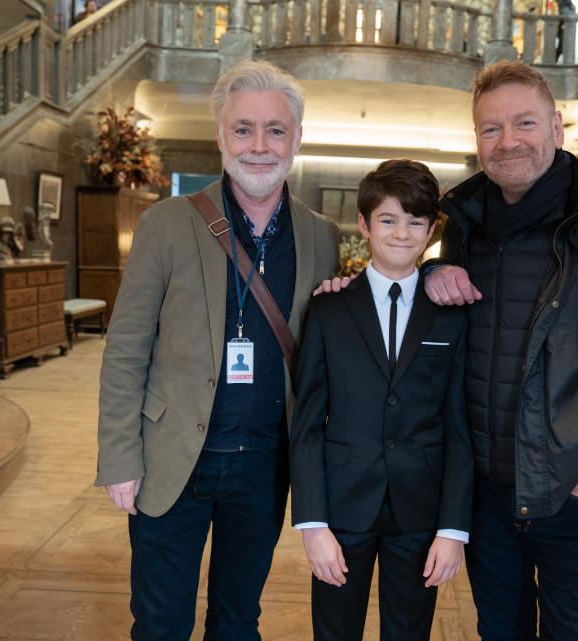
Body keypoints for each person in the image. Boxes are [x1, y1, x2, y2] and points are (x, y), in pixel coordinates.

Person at [422, 62, 578, 640]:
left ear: (558, 129)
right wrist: (433, 267)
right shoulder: (464, 224)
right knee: (499, 631)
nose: (507, 140)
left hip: (573, 491)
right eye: (490, 129)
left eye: (524, 123)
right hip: (486, 493)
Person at [95, 59, 339, 641]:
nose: (260, 146)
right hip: (171, 456)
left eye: (275, 130)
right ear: (221, 136)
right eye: (244, 129)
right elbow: (126, 347)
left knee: (238, 620)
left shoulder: (320, 237)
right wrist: (119, 457)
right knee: (160, 621)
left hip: (263, 466)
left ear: (297, 139)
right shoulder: (166, 223)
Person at [290, 159, 474, 641]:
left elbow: (459, 427)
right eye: (388, 220)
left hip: (420, 510)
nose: (401, 233)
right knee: (334, 631)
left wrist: (453, 530)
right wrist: (312, 523)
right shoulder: (328, 308)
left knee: (409, 633)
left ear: (432, 230)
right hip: (341, 509)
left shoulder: (450, 315)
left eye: (416, 222)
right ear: (364, 225)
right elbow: (307, 423)